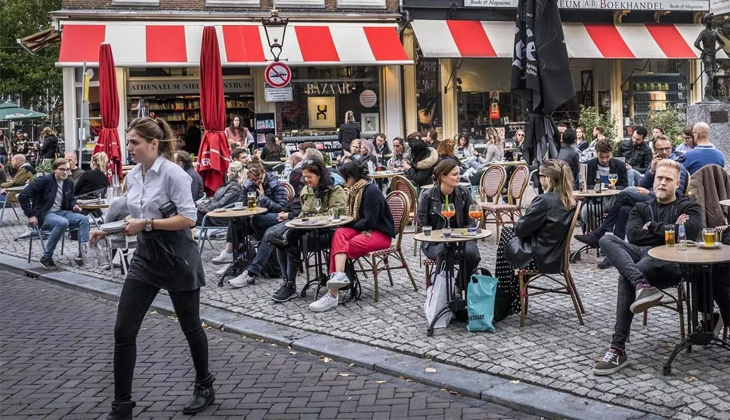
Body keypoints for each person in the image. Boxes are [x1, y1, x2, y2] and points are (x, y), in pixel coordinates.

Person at [88, 117, 214, 417]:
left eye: (134, 142)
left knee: (191, 327)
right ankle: (122, 406)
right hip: (146, 258)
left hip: (177, 256)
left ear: (153, 144)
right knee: (123, 330)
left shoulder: (174, 175)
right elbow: (135, 218)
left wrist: (147, 223)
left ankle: (204, 385)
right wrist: (108, 228)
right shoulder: (133, 177)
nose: (129, 147)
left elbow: (189, 219)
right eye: (128, 141)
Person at [593, 159, 702, 376]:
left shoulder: (689, 206)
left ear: (677, 183)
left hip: (671, 263)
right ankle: (641, 284)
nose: (662, 183)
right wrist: (671, 229)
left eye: (668, 179)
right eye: (659, 178)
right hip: (643, 257)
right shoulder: (641, 207)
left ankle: (617, 349)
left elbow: (688, 232)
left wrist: (651, 226)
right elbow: (633, 235)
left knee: (626, 276)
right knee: (607, 240)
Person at [576, 136, 688, 268]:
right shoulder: (654, 165)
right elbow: (643, 185)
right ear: (654, 150)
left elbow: (675, 192)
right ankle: (614, 253)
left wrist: (651, 193)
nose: (663, 152)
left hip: (658, 200)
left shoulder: (676, 168)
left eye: (667, 149)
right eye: (659, 149)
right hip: (642, 200)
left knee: (624, 195)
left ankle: (600, 232)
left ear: (672, 149)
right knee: (624, 210)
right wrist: (651, 172)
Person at [495, 159, 577, 319]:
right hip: (557, 256)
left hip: (539, 257)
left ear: (548, 178)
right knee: (509, 236)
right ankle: (509, 293)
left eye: (540, 175)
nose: (538, 179)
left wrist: (522, 222)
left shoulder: (544, 200)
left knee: (506, 234)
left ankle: (504, 295)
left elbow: (521, 229)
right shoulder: (569, 199)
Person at [309, 161, 395, 312]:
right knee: (339, 233)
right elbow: (356, 221)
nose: (343, 181)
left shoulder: (371, 192)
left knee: (339, 247)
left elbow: (369, 222)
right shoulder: (354, 192)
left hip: (379, 233)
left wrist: (347, 224)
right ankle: (340, 275)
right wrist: (344, 225)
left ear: (351, 177)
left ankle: (332, 294)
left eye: (344, 177)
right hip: (363, 230)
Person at [272, 159, 346, 302]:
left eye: (309, 177)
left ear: (319, 175)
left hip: (328, 232)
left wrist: (312, 217)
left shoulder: (335, 189)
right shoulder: (306, 189)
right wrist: (301, 219)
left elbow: (336, 213)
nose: (306, 180)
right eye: (304, 177)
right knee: (281, 240)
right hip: (307, 230)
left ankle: (290, 285)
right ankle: (288, 283)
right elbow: (303, 213)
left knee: (290, 240)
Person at [418, 159, 480, 291]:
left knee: (473, 253)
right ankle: (441, 292)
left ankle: (457, 287)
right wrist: (436, 237)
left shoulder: (463, 193)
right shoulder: (428, 196)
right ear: (443, 177)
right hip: (434, 243)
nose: (458, 177)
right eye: (454, 174)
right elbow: (422, 227)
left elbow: (470, 221)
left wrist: (468, 234)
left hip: (460, 239)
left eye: (459, 173)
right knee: (445, 253)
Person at [18, 158, 89, 270]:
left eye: (67, 170)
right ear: (55, 169)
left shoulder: (68, 182)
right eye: (62, 170)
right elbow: (23, 195)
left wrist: (74, 206)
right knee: (62, 223)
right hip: (45, 215)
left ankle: (84, 254)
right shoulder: (44, 180)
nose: (65, 172)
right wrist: (30, 215)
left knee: (84, 219)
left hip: (61, 213)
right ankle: (46, 258)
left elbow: (70, 199)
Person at [226, 161, 289, 287]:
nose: (256, 182)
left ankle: (250, 269)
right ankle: (230, 255)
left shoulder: (274, 184)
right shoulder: (248, 185)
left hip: (276, 217)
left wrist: (263, 198)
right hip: (256, 216)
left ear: (263, 173)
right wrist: (245, 209)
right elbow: (242, 202)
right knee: (236, 220)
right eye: (253, 179)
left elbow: (282, 207)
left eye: (258, 178)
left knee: (257, 220)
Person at [582, 139, 628, 226]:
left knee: (625, 206)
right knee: (585, 212)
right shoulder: (587, 165)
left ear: (611, 153)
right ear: (596, 153)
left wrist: (616, 188)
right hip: (595, 201)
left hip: (613, 200)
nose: (605, 160)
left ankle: (607, 231)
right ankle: (598, 232)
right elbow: (582, 186)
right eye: (601, 157)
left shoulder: (620, 165)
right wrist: (598, 187)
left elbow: (625, 186)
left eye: (607, 156)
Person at [196, 161, 246, 228]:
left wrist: (201, 207)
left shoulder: (235, 189)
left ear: (233, 174)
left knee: (188, 218)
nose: (226, 174)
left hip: (219, 218)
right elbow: (217, 200)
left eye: (228, 172)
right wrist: (206, 202)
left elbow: (220, 205)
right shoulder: (231, 185)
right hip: (214, 214)